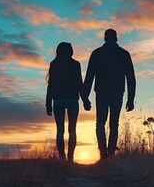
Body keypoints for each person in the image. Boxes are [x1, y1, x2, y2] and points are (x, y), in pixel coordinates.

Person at [83, 29, 136, 160]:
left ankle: (103, 154)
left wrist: (85, 98)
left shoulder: (97, 53)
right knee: (114, 123)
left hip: (101, 92)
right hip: (117, 92)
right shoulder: (123, 54)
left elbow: (89, 76)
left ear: (105, 39)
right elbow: (131, 78)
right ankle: (110, 153)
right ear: (116, 38)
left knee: (100, 123)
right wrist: (131, 98)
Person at [46, 42, 90, 162]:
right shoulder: (75, 64)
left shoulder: (54, 64)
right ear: (71, 51)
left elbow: (51, 85)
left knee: (60, 130)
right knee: (72, 129)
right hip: (72, 100)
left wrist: (48, 103)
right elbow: (79, 84)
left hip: (58, 100)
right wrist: (85, 100)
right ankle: (70, 158)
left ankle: (62, 158)